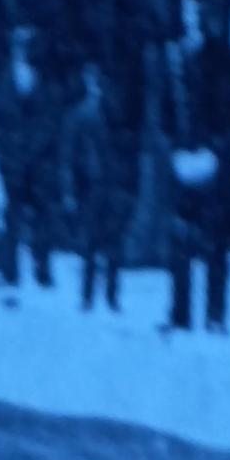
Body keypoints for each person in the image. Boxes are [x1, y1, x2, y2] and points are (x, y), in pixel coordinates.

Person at [158, 0, 230, 335]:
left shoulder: (227, 60)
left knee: (216, 241)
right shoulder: (173, 58)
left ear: (209, 15)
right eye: (187, 13)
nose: (193, 20)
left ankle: (215, 315)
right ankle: (179, 313)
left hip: (217, 161)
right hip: (183, 160)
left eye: (199, 13)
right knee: (179, 237)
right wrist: (175, 151)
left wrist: (217, 150)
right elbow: (165, 114)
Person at [61, 57, 137, 312]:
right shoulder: (79, 113)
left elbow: (126, 149)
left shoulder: (115, 112)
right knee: (92, 242)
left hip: (111, 181)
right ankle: (88, 295)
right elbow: (69, 156)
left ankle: (111, 295)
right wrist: (69, 189)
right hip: (91, 183)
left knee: (112, 240)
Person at [0, 23, 61, 293]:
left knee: (42, 214)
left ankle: (42, 268)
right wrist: (3, 150)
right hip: (11, 159)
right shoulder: (4, 80)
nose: (21, 51)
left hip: (37, 158)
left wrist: (37, 148)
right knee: (11, 213)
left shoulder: (42, 80)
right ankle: (9, 270)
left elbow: (48, 119)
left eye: (26, 47)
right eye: (17, 46)